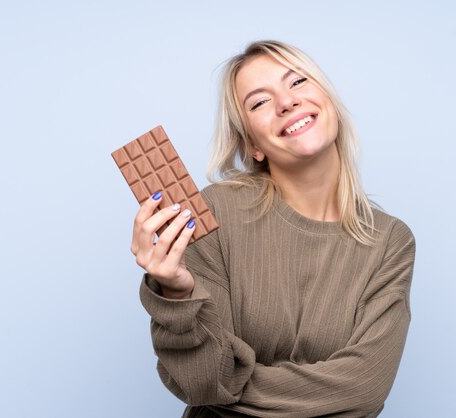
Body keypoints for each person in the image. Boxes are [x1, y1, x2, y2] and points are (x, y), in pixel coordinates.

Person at [131, 40, 416, 417]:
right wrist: (178, 293)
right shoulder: (213, 213)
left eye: (297, 82)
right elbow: (201, 382)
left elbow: (365, 387)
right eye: (259, 102)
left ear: (327, 101)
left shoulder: (390, 241)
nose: (286, 102)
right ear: (252, 145)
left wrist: (231, 385)